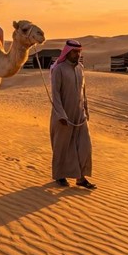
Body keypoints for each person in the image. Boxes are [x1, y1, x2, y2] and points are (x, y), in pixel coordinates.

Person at [49, 39, 96, 189]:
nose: (77, 54)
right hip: (63, 115)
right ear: (68, 52)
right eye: (75, 52)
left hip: (80, 115)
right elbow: (55, 94)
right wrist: (61, 115)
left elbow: (84, 91)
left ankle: (81, 178)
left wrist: (86, 109)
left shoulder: (80, 68)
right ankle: (59, 175)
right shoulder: (59, 69)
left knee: (84, 145)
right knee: (62, 146)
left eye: (79, 52)